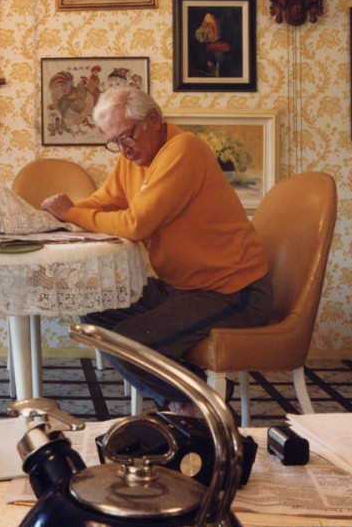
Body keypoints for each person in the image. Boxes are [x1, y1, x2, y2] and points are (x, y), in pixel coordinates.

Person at [42, 86, 271, 412]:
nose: (123, 150)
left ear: (153, 119)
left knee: (130, 342)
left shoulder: (184, 150)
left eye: (127, 137)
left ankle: (194, 406)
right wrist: (53, 217)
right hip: (183, 288)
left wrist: (72, 213)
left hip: (233, 291)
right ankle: (201, 394)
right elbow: (105, 202)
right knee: (96, 314)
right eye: (114, 142)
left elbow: (137, 225)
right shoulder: (134, 159)